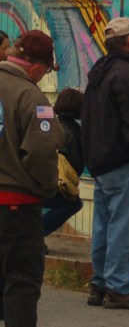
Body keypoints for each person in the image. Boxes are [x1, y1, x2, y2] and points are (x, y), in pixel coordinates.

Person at [81, 17, 129, 310]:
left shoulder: (99, 72)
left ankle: (100, 283)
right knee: (127, 227)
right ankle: (119, 288)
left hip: (101, 161)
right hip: (126, 161)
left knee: (105, 226)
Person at [0, 30, 61, 327]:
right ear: (37, 68)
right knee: (21, 281)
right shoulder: (33, 97)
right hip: (16, 204)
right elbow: (41, 151)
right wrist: (47, 187)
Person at [41, 88, 85, 236]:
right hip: (53, 183)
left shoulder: (57, 124)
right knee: (73, 204)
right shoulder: (68, 129)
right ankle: (35, 234)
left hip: (44, 182)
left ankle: (35, 234)